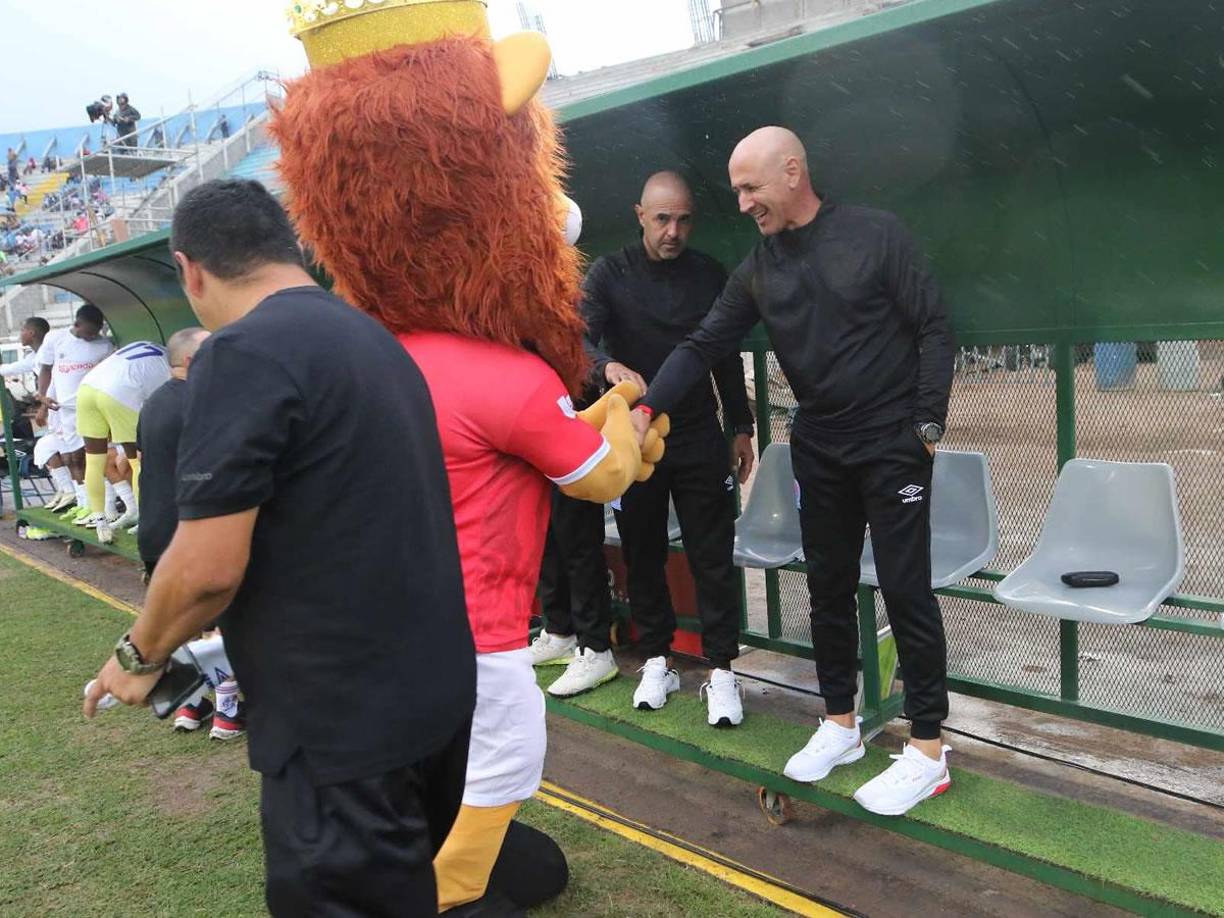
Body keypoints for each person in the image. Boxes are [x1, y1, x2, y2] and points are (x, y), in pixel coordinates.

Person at [83, 179, 477, 916]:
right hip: (432, 696)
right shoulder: (370, 338)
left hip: (342, 724)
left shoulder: (243, 354)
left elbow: (206, 569)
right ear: (287, 247)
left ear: (189, 270)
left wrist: (137, 657)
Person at [634, 126, 956, 816]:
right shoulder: (757, 269)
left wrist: (926, 427)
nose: (744, 201)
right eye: (738, 190)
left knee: (905, 590)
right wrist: (645, 407)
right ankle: (840, 723)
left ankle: (928, 749)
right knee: (828, 589)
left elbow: (934, 325)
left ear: (791, 171)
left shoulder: (876, 235)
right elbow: (703, 344)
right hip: (820, 448)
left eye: (751, 187)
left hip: (891, 446)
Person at [557, 171, 755, 725]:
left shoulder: (709, 274)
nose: (673, 231)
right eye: (662, 218)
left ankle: (722, 671)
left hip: (697, 433)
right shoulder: (611, 273)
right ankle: (657, 659)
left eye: (684, 219)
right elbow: (580, 336)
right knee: (642, 550)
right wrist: (604, 366)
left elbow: (723, 356)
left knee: (712, 555)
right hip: (637, 439)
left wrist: (740, 425)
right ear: (640, 214)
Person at [74, 340, 172, 540]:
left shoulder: (146, 346)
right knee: (136, 461)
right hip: (119, 391)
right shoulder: (171, 365)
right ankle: (145, 520)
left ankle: (100, 521)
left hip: (87, 386)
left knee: (93, 459)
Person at [35, 305, 113, 518]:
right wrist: (43, 398)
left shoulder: (104, 347)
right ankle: (83, 502)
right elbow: (46, 370)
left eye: (95, 333)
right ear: (76, 325)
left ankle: (103, 506)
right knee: (70, 458)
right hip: (61, 409)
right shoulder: (55, 339)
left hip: (89, 409)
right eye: (88, 333)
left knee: (87, 457)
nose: (92, 337)